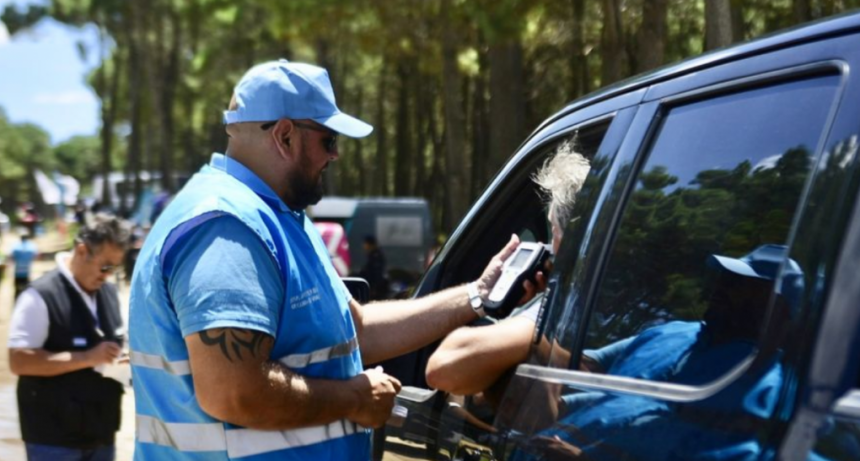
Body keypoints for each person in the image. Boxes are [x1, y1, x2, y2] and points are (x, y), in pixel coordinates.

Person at [128, 58, 533, 461]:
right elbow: (233, 392)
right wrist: (354, 399)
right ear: (285, 136)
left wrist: (478, 294)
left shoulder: (281, 218)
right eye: (328, 140)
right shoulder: (227, 227)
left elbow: (355, 330)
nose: (335, 155)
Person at [426, 141, 591, 396]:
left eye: (553, 231)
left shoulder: (567, 306)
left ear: (571, 237)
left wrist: (533, 333)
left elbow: (442, 367)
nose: (547, 245)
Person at [7, 213, 131, 461]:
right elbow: (18, 361)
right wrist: (86, 357)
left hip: (103, 435)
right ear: (82, 251)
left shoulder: (108, 291)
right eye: (105, 266)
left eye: (114, 268)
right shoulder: (39, 295)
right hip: (53, 442)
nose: (107, 274)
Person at [360, 234, 388, 300]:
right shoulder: (373, 255)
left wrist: (373, 288)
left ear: (370, 244)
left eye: (365, 243)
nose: (363, 245)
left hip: (375, 288)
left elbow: (375, 273)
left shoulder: (376, 256)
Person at [11, 233, 39, 300]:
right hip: (27, 271)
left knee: (17, 289)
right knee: (27, 290)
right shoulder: (31, 246)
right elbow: (36, 255)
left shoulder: (16, 246)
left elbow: (11, 256)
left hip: (17, 271)